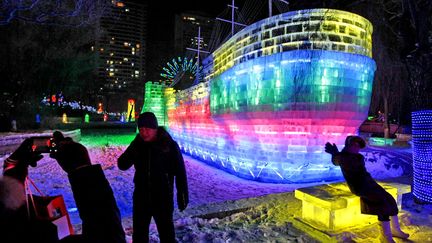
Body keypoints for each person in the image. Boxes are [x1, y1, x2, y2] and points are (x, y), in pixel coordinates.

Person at [1, 132, 126, 243]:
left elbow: (11, 222)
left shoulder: (12, 232)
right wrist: (82, 169)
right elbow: (109, 235)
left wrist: (13, 168)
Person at [118, 112, 189, 243]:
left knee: (166, 233)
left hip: (162, 197)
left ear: (155, 128)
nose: (144, 132)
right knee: (139, 233)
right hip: (141, 197)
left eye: (147, 129)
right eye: (141, 129)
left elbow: (180, 171)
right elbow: (122, 164)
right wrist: (133, 149)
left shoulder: (169, 145)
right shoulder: (137, 144)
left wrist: (182, 193)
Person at [325, 136, 409, 243]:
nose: (356, 147)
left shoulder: (357, 156)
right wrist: (335, 153)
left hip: (369, 183)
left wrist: (336, 153)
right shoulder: (344, 157)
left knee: (390, 199)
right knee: (382, 205)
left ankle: (395, 230)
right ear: (348, 145)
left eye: (358, 145)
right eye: (354, 144)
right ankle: (385, 237)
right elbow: (338, 161)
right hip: (360, 187)